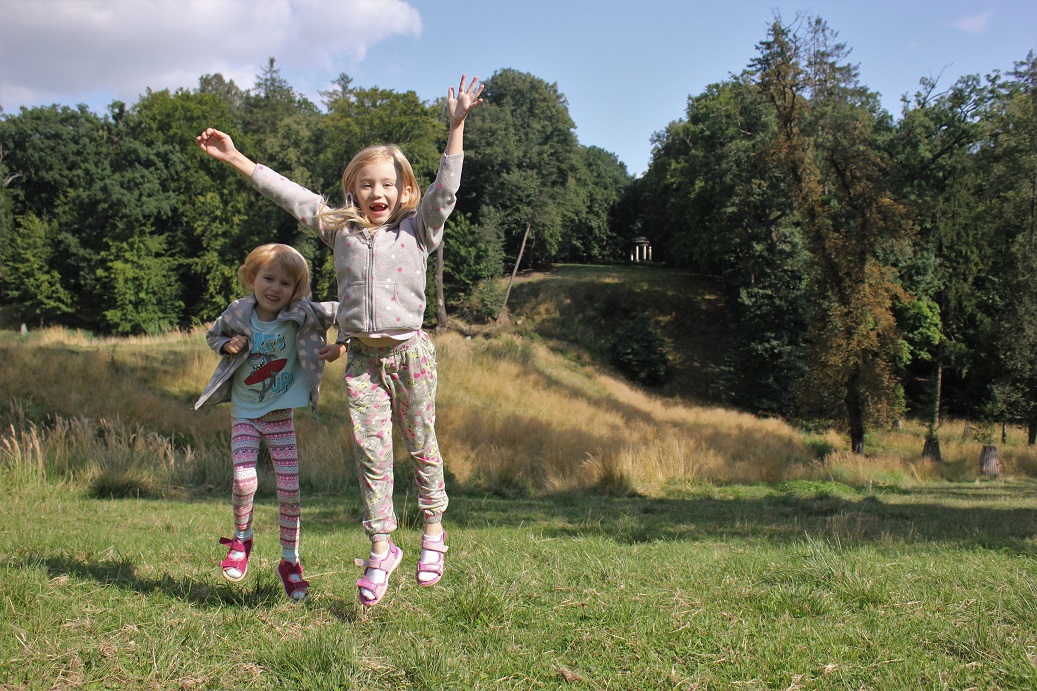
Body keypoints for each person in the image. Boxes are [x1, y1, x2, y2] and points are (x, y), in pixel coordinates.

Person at [196, 74, 485, 607]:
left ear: (404, 192)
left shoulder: (419, 229)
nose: (378, 194)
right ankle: (381, 547)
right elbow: (290, 196)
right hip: (362, 364)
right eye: (367, 184)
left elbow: (448, 189)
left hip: (409, 355)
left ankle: (433, 532)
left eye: (388, 185)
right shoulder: (340, 229)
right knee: (371, 456)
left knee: (421, 445)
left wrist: (457, 126)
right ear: (354, 189)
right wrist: (238, 160)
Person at [195, 243, 343, 601]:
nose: (276, 288)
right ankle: (241, 539)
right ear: (252, 278)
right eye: (269, 278)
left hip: (281, 418)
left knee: (290, 491)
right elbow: (213, 335)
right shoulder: (237, 313)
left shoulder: (303, 313)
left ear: (297, 290)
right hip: (245, 414)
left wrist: (344, 344)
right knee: (245, 482)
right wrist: (227, 344)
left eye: (286, 283)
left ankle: (290, 562)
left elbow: (348, 310)